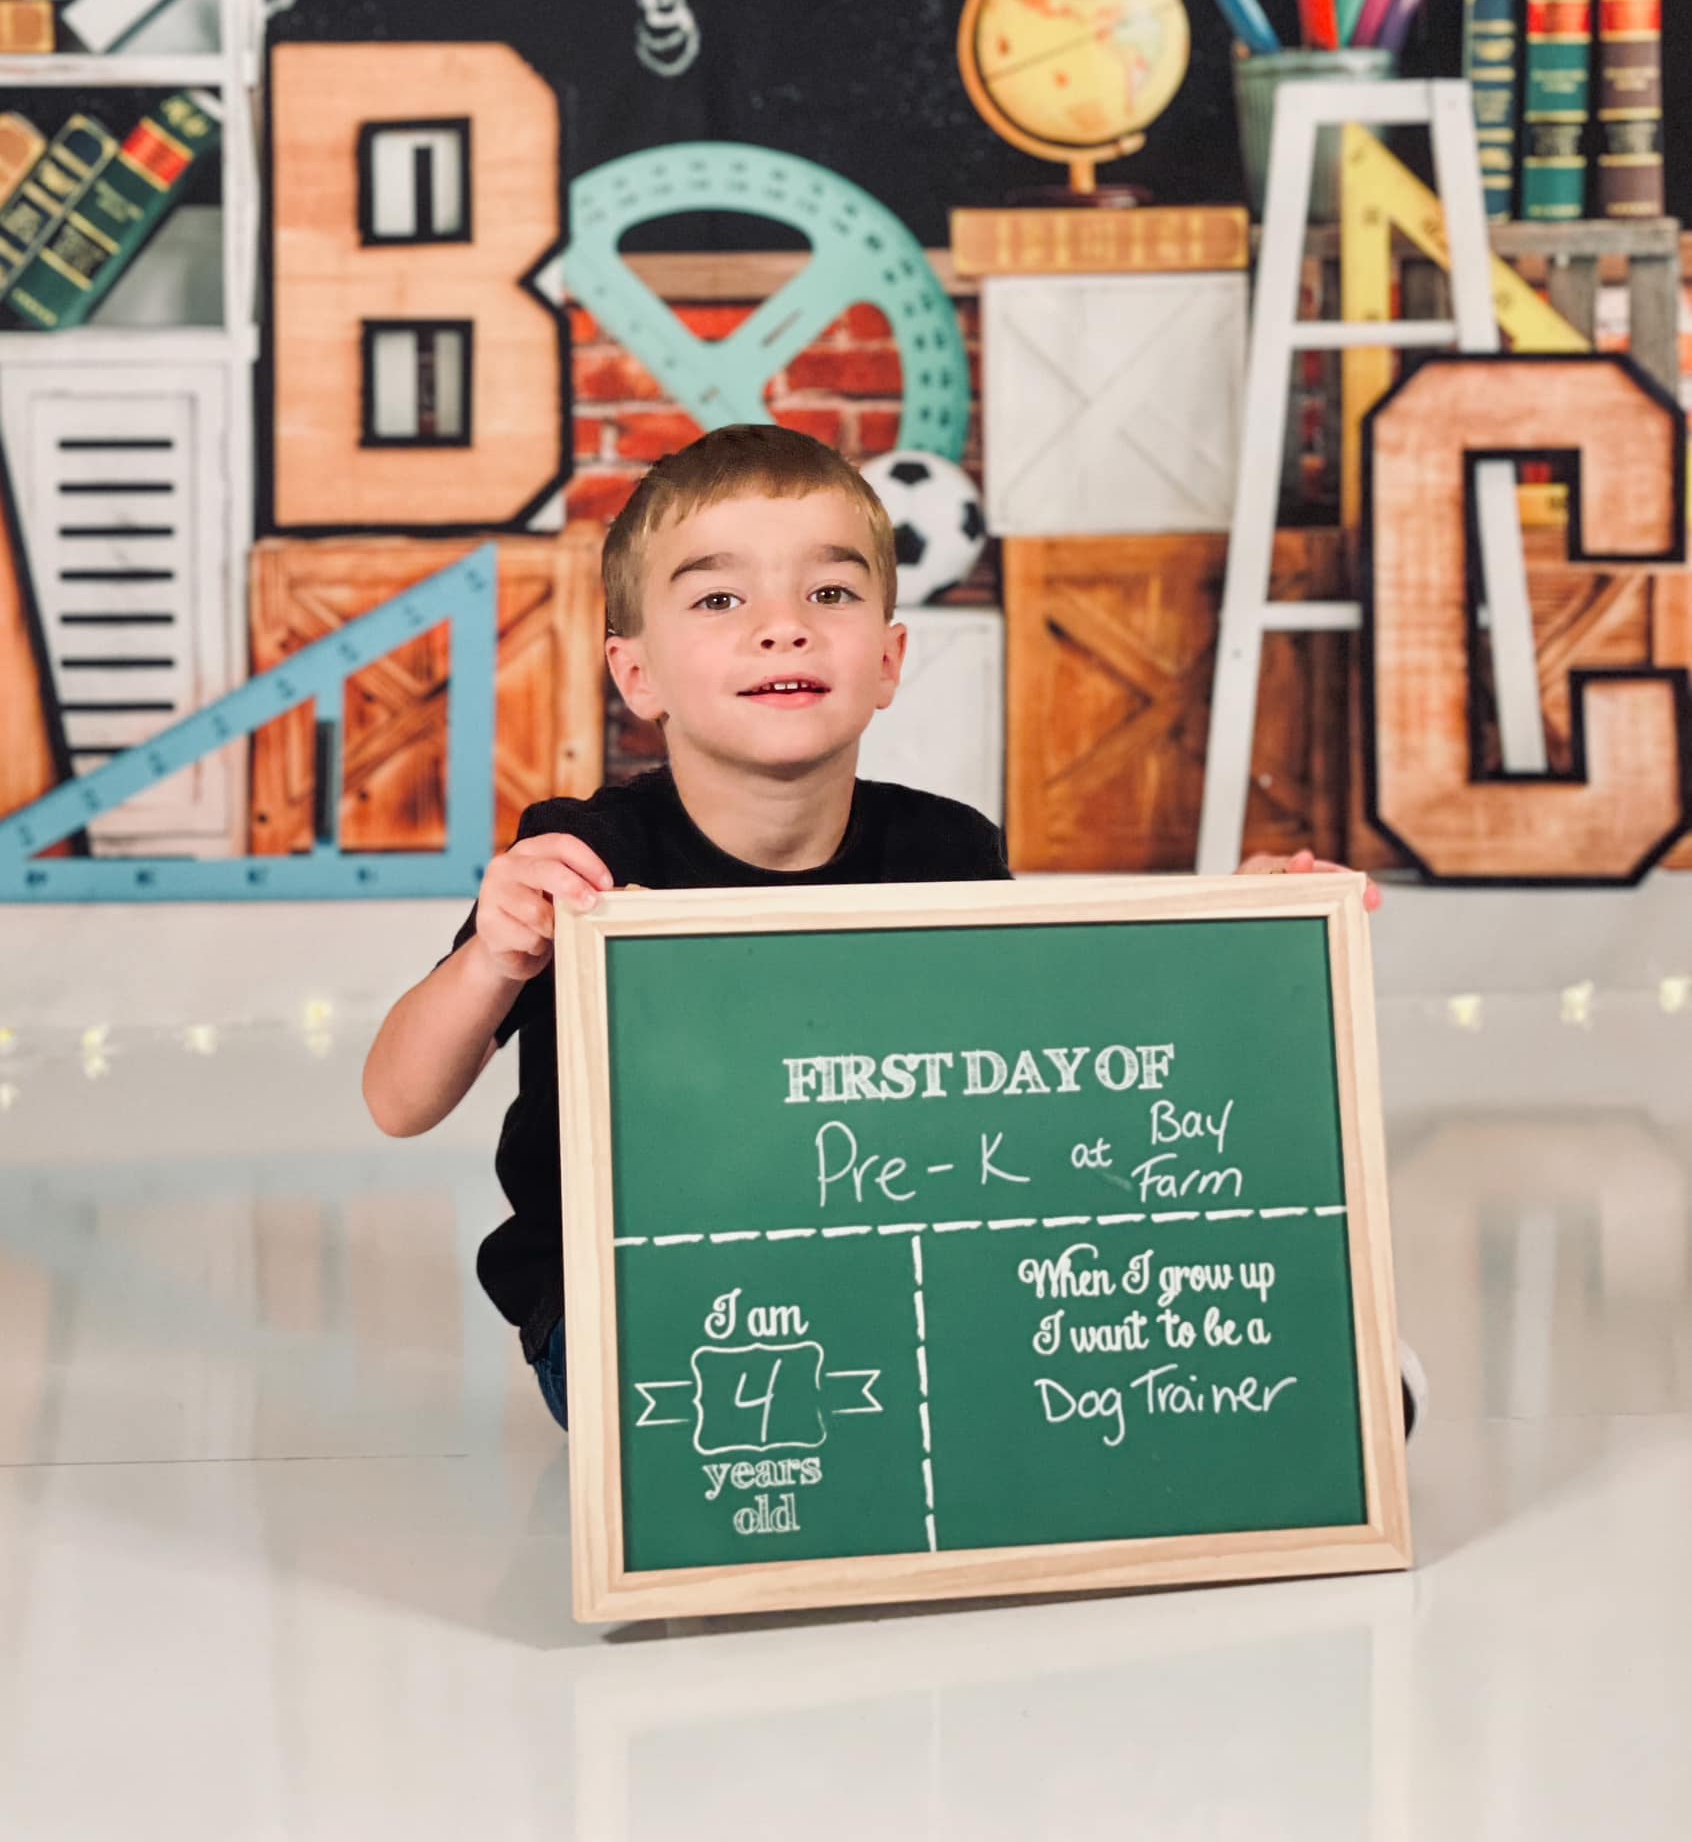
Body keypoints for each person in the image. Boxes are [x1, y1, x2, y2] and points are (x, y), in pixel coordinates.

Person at [362, 424, 1405, 1436]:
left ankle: (1291, 1376)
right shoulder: (579, 858)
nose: (785, 625)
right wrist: (493, 959)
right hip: (638, 1301)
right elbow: (398, 1098)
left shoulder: (945, 849)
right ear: (637, 676)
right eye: (721, 597)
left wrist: (1247, 925)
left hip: (887, 1262)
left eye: (831, 592)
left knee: (1022, 1326)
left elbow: (1067, 1059)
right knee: (743, 1401)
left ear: (890, 659)